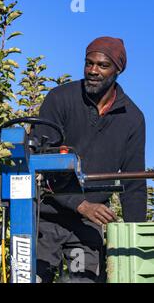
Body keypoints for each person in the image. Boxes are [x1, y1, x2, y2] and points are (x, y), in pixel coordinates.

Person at [31, 36, 147, 283]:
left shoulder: (133, 119)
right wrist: (80, 203)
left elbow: (134, 184)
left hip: (87, 226)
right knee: (34, 278)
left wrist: (135, 241)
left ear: (118, 69)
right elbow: (41, 161)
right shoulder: (60, 99)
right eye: (89, 63)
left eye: (102, 65)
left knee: (83, 279)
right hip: (46, 217)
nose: (93, 71)